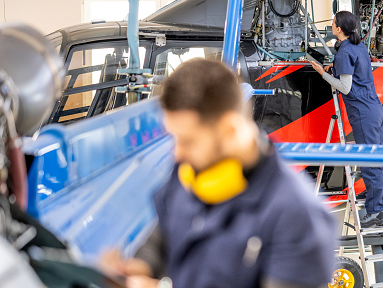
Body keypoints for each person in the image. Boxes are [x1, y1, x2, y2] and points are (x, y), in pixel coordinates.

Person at [103, 58, 336, 288]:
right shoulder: (191, 170)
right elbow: (162, 235)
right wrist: (140, 267)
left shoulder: (297, 216)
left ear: (230, 130)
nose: (177, 153)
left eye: (188, 140)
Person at [310, 11, 383, 228]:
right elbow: (355, 72)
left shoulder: (344, 52)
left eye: (333, 23)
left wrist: (321, 73)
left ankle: (374, 212)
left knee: (370, 162)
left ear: (339, 29)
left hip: (363, 114)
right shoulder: (358, 47)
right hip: (375, 110)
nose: (331, 25)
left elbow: (345, 86)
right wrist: (334, 68)